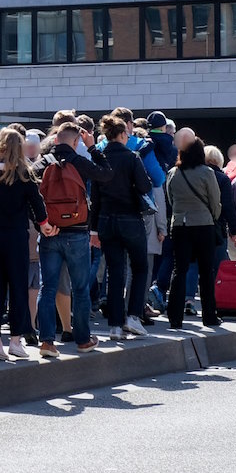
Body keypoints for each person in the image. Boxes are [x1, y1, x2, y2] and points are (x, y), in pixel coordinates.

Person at [0, 128, 54, 360]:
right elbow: (37, 204)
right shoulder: (24, 172)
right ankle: (16, 340)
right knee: (18, 287)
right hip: (16, 237)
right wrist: (44, 225)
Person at [33, 121, 112, 355]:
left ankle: (47, 342)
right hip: (77, 231)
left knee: (46, 288)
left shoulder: (43, 163)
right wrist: (93, 146)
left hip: (50, 232)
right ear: (76, 142)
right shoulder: (80, 162)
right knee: (80, 288)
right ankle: (83, 339)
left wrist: (42, 224)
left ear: (55, 139)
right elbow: (107, 174)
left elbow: (27, 191)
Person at [89, 115, 152, 340]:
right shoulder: (132, 157)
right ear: (123, 134)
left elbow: (94, 198)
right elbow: (145, 186)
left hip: (106, 220)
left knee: (114, 271)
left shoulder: (101, 158)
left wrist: (93, 229)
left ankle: (115, 325)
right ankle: (133, 316)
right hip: (130, 220)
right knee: (140, 267)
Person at [164, 138, 222, 329]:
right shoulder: (207, 172)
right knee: (206, 272)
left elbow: (170, 200)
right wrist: (212, 215)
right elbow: (215, 201)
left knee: (179, 270)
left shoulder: (173, 173)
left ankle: (174, 317)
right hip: (204, 224)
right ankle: (209, 316)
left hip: (180, 225)